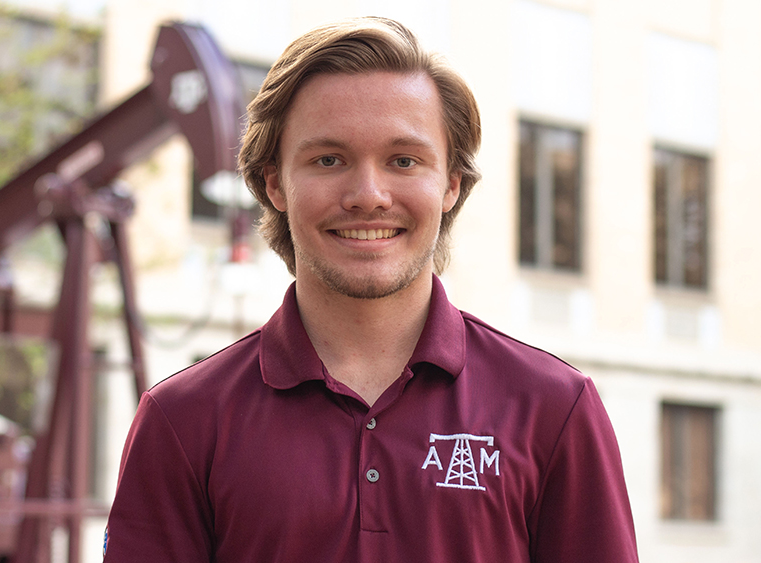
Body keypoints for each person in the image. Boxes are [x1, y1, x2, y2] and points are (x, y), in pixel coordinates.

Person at [104, 16, 638, 562]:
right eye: (328, 159)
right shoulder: (182, 420)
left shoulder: (553, 407)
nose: (368, 195)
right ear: (275, 183)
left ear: (451, 183)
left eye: (403, 160)